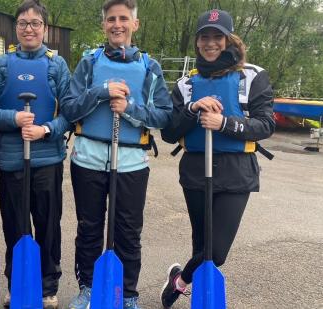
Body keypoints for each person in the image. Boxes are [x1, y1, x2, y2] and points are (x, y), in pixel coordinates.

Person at [59, 0, 172, 308]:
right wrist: (102, 90)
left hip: (132, 163)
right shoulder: (89, 62)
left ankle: (128, 293)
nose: (117, 24)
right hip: (88, 160)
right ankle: (88, 288)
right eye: (111, 19)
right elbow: (69, 107)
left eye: (124, 19)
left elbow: (164, 115)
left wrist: (131, 110)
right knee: (89, 228)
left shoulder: (150, 67)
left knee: (128, 232)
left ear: (135, 24)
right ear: (104, 24)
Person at [159, 9, 275, 308]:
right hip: (196, 171)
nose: (211, 43)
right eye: (204, 37)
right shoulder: (186, 84)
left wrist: (225, 124)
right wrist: (193, 109)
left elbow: (265, 125)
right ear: (197, 42)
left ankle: (180, 280)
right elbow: (169, 133)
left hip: (237, 172)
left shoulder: (253, 76)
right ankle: (197, 294)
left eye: (217, 37)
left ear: (229, 39)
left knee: (217, 251)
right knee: (201, 244)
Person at [0, 0, 71, 307]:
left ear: (44, 28)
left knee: (48, 225)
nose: (29, 28)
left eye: (35, 23)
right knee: (15, 225)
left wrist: (45, 130)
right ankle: (17, 282)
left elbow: (69, 114)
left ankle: (47, 286)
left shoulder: (56, 64)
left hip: (47, 159)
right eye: (23, 23)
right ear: (16, 27)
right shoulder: (2, 64)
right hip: (10, 160)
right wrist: (15, 119)